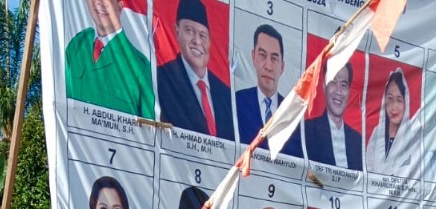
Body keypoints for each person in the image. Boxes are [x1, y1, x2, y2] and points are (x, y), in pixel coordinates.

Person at [155, 0, 234, 140]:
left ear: (209, 42)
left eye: (202, 35)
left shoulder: (225, 94)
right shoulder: (161, 79)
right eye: (189, 31)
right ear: (176, 31)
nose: (197, 41)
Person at [64, 0, 155, 119]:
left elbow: (149, 130)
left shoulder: (139, 66)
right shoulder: (77, 45)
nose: (100, 3)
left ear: (120, 6)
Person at [234, 25, 301, 157]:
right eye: (262, 55)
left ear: (282, 66)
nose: (268, 66)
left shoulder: (292, 113)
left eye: (274, 58)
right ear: (253, 57)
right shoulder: (237, 101)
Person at [304, 61, 362, 170]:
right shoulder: (308, 131)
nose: (338, 92)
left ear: (349, 91)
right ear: (323, 87)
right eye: (333, 83)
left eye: (344, 85)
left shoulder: (357, 141)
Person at [364, 69, 420, 178]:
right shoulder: (377, 132)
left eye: (399, 100)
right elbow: (367, 167)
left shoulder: (413, 139)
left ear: (406, 103)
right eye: (390, 99)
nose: (394, 107)